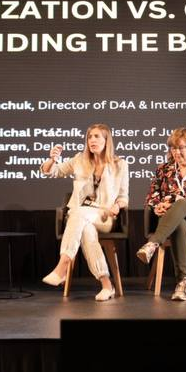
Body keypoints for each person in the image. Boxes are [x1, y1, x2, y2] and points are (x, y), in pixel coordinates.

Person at [40, 123, 128, 301]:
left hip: (104, 216)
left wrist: (117, 206)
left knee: (79, 213)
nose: (92, 140)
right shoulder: (79, 159)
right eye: (89, 137)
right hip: (81, 216)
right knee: (86, 230)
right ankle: (106, 285)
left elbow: (123, 196)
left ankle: (63, 265)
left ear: (106, 140)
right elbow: (53, 172)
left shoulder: (120, 164)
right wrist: (52, 160)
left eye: (97, 136)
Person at [139, 128, 186, 302]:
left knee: (182, 203)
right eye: (173, 148)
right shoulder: (163, 169)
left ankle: (152, 244)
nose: (177, 152)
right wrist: (157, 206)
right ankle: (182, 283)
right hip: (171, 219)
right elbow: (151, 196)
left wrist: (173, 200)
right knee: (179, 225)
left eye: (181, 147)